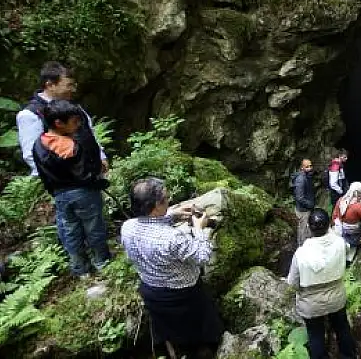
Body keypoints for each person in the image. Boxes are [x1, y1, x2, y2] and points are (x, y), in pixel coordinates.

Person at [121, 177, 223, 359]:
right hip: (184, 293)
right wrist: (200, 228)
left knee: (170, 326)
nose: (169, 202)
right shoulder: (172, 238)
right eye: (166, 199)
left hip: (151, 291)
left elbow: (148, 225)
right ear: (155, 206)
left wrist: (171, 215)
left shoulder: (127, 228)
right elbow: (203, 256)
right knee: (200, 323)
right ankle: (206, 347)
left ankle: (174, 348)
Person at [32, 100, 111, 277]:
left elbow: (43, 173)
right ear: (59, 123)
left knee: (71, 231)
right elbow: (84, 172)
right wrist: (98, 176)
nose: (78, 125)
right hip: (84, 193)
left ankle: (80, 269)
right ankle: (102, 262)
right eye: (74, 121)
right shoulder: (70, 145)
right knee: (94, 227)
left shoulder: (39, 144)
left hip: (60, 195)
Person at [286, 208, 357, 359]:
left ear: (309, 228)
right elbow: (341, 244)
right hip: (336, 297)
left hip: (311, 303)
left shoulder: (301, 253)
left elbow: (292, 283)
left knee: (315, 334)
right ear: (329, 226)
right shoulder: (340, 244)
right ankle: (348, 356)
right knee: (342, 328)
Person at [17, 61, 108, 176]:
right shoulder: (30, 114)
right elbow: (32, 155)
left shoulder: (76, 108)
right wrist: (68, 176)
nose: (73, 89)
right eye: (68, 85)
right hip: (59, 184)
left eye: (73, 85)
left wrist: (101, 158)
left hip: (90, 177)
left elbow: (90, 135)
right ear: (50, 85)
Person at [292, 159, 316, 246]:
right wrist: (310, 204)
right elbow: (299, 198)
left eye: (310, 166)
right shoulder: (300, 179)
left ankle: (307, 244)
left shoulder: (307, 176)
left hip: (307, 208)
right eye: (307, 167)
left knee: (306, 228)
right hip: (303, 210)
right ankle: (301, 247)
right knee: (302, 229)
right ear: (302, 167)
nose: (310, 168)